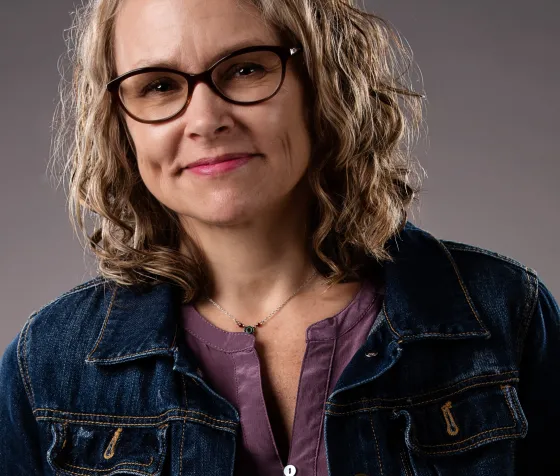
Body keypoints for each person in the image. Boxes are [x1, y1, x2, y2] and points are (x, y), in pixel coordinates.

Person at [0, 0, 558, 474]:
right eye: (159, 85)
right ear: (119, 124)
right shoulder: (47, 365)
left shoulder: (505, 315)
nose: (205, 119)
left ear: (321, 82)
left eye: (244, 69)